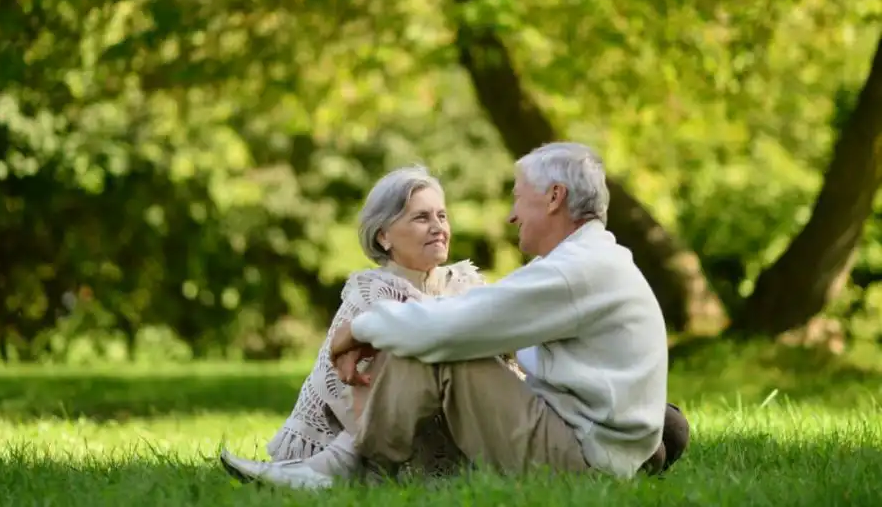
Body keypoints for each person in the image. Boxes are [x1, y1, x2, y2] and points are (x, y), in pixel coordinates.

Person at [324, 142, 685, 481]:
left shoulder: (575, 270)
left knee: (441, 349)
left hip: (583, 455)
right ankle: (349, 463)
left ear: (554, 197)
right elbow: (474, 315)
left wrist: (358, 329)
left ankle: (354, 468)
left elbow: (451, 327)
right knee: (440, 337)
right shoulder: (587, 259)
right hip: (596, 441)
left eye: (518, 199)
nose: (512, 216)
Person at [220, 165, 496, 487]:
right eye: (422, 218)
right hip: (388, 444)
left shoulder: (466, 283)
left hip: (477, 432)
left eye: (442, 216)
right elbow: (347, 379)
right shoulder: (374, 290)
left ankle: (328, 472)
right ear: (384, 235)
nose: (438, 227)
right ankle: (330, 467)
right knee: (403, 348)